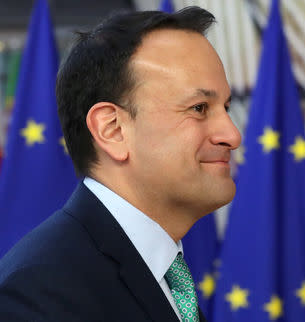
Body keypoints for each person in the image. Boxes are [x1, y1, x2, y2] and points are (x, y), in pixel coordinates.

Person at [0, 7, 241, 322]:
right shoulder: (40, 291)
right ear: (112, 130)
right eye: (199, 108)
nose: (232, 135)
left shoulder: (162, 272)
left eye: (225, 107)